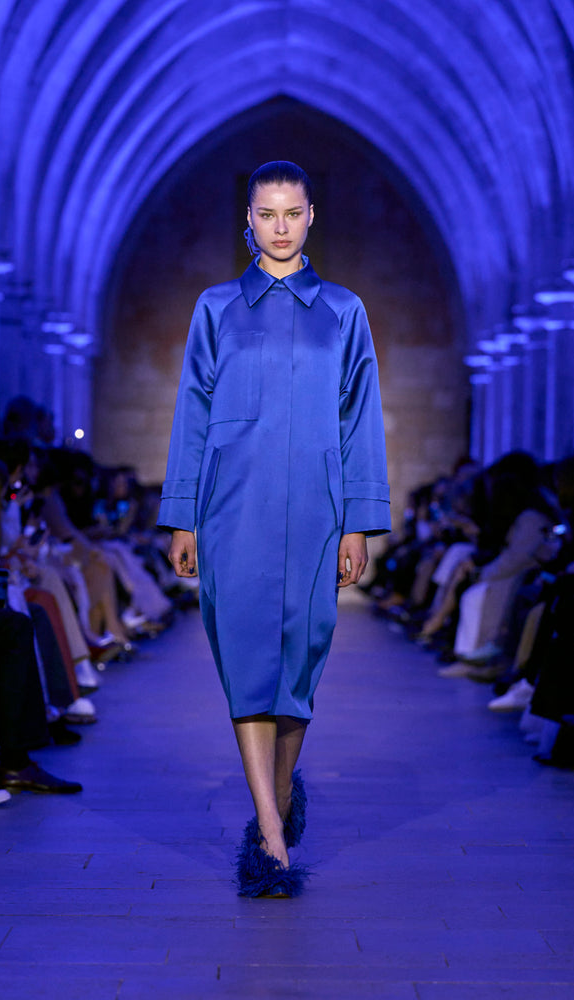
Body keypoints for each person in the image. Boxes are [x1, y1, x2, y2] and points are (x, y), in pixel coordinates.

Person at [158, 160, 391, 897]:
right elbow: (193, 412)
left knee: (301, 661)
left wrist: (358, 523)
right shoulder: (216, 308)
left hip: (318, 509)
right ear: (249, 220)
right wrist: (182, 516)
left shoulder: (344, 311)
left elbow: (360, 419)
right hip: (233, 509)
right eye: (267, 214)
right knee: (248, 659)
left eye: (292, 213)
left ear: (312, 215)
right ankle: (269, 835)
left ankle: (281, 794)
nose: (280, 226)